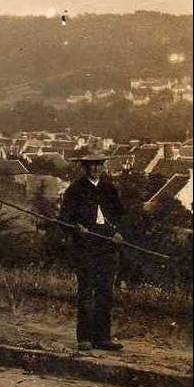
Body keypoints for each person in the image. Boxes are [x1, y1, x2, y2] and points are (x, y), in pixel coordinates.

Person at [58, 147, 126, 352]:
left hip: (108, 246)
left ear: (103, 166)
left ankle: (103, 338)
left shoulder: (109, 189)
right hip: (86, 247)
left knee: (106, 292)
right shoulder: (75, 190)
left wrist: (118, 233)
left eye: (99, 164)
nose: (96, 168)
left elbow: (121, 216)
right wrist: (76, 228)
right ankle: (85, 338)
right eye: (91, 165)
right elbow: (64, 220)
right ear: (84, 167)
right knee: (87, 291)